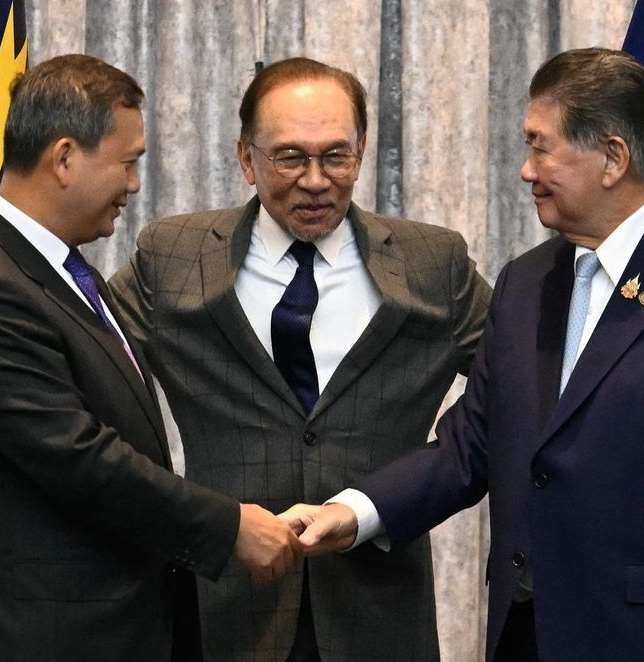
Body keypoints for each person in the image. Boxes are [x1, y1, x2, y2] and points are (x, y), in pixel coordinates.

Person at [283, 48, 644, 662]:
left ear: (612, 157)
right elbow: (471, 443)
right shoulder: (527, 282)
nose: (526, 170)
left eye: (541, 146)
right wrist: (352, 512)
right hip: (525, 635)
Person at [0, 54, 299, 662]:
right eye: (128, 162)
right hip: (39, 638)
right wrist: (229, 528)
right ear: (65, 158)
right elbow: (79, 456)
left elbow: (53, 390)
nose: (135, 184)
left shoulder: (54, 269)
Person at [107, 57, 491, 661]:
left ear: (361, 152)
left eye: (336, 156)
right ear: (245, 158)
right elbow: (83, 353)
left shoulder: (432, 263)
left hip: (379, 614)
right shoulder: (175, 255)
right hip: (224, 613)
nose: (316, 180)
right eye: (289, 157)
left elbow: (518, 385)